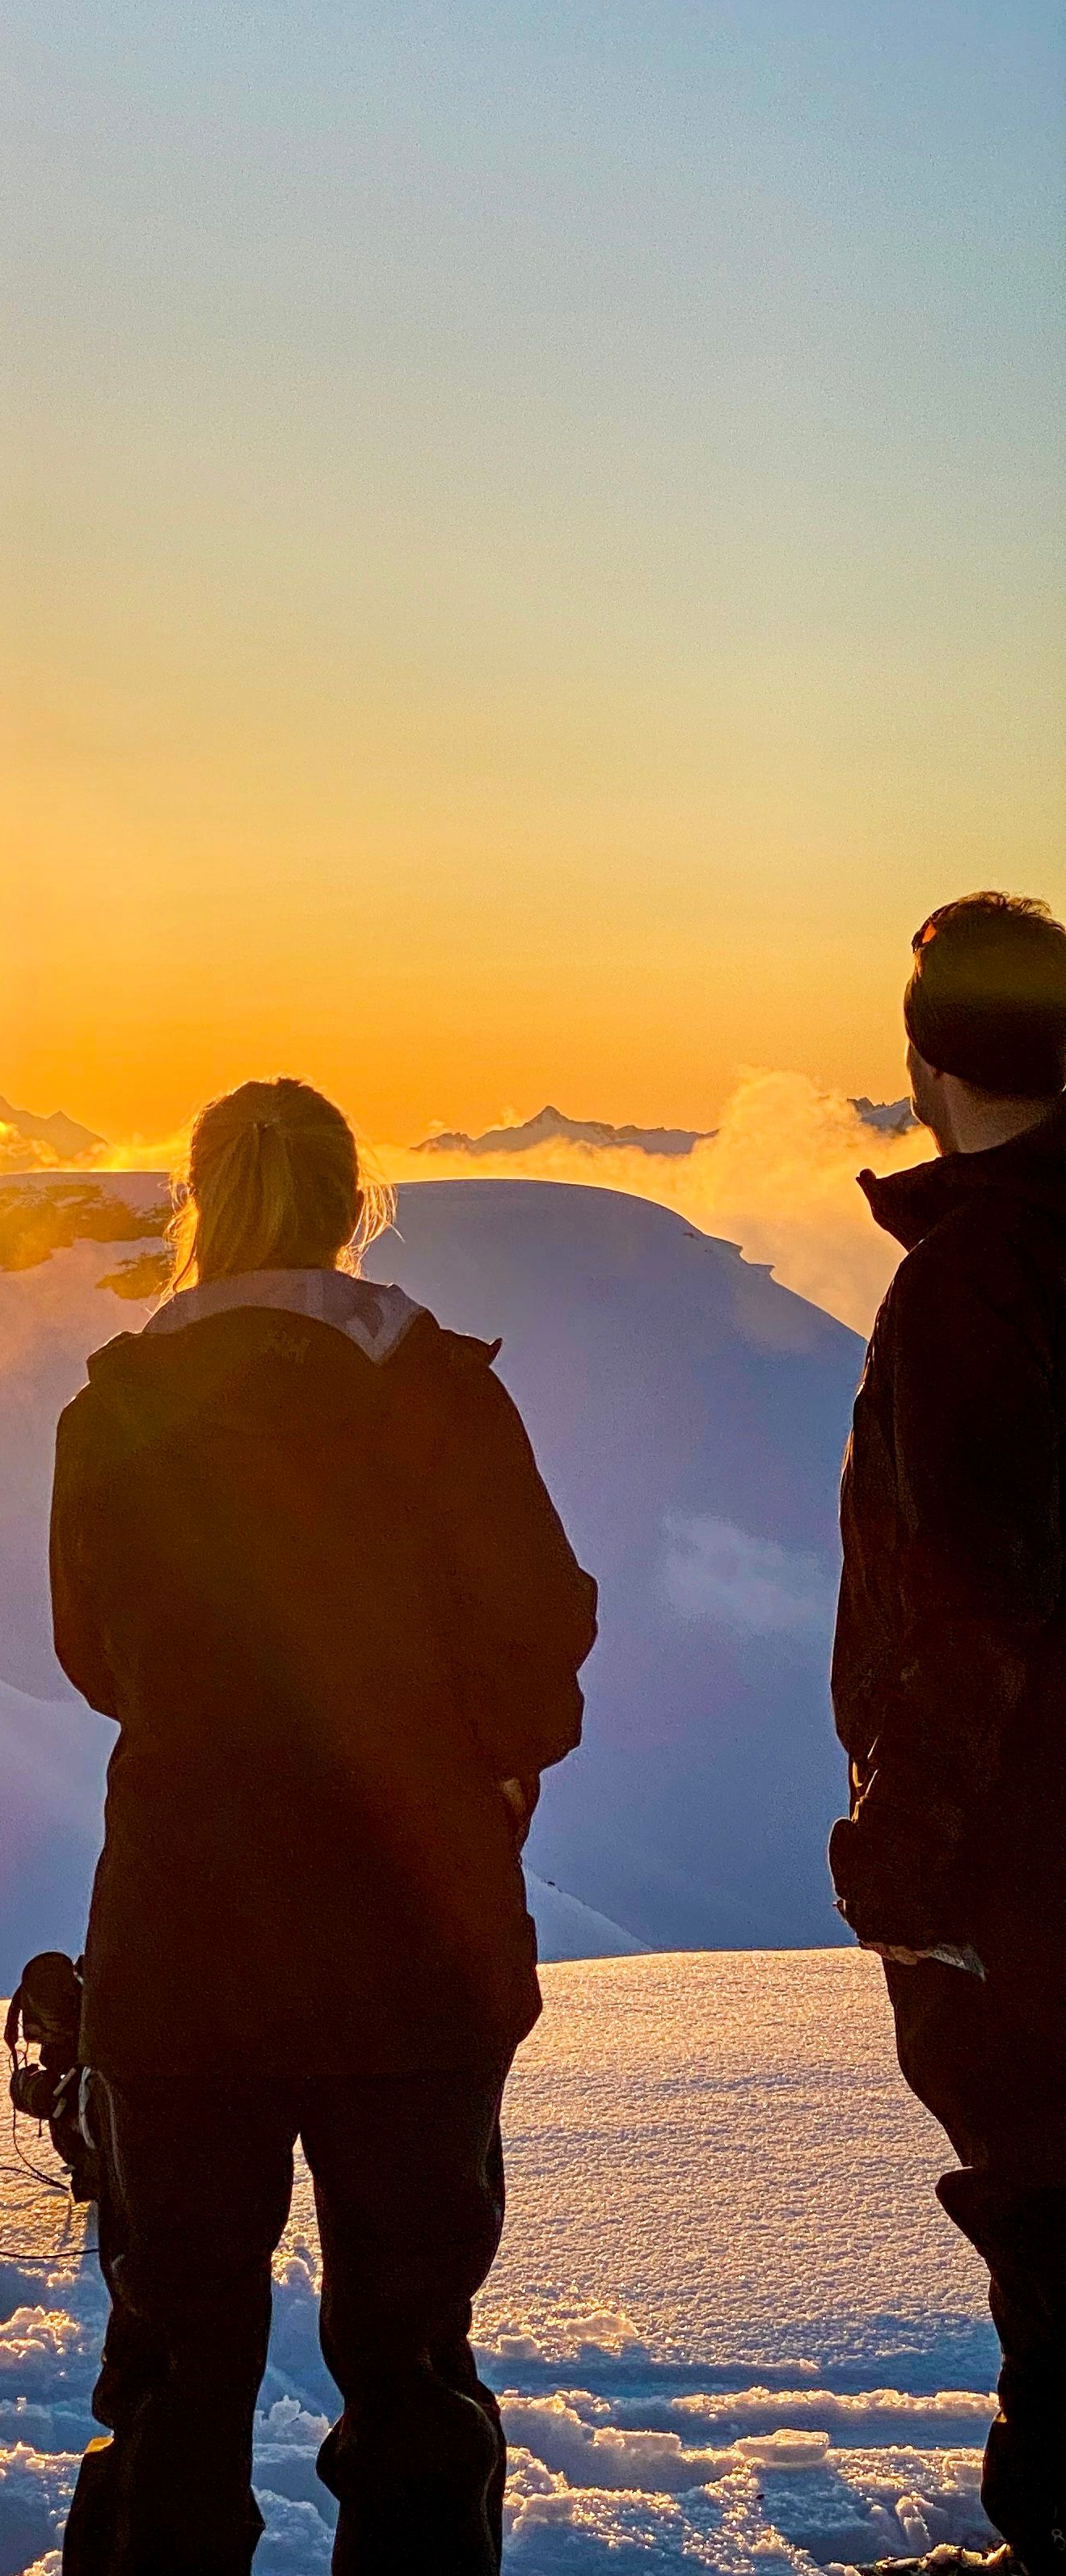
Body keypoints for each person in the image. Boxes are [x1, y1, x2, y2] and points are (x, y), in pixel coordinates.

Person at [50, 1076, 599, 2576]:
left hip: (182, 1943)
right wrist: (477, 1767)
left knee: (175, 2353)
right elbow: (538, 1641)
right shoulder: (440, 1392)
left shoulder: (115, 1409)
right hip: (413, 1942)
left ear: (198, 1203)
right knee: (411, 2358)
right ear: (357, 1207)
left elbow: (93, 1656)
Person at [832, 894, 1066, 2576]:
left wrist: (899, 1847)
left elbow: (972, 1592)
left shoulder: (979, 1283)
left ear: (930, 1069)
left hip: (1028, 1851)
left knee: (1052, 2202)